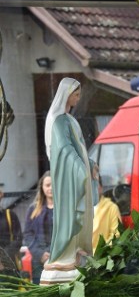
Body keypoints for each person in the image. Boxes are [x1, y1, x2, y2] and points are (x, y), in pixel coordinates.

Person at [42, 77, 98, 285]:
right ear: (67, 94)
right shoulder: (59, 120)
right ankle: (65, 255)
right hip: (68, 179)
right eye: (76, 94)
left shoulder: (70, 119)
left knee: (82, 219)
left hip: (77, 174)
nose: (78, 98)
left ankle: (77, 250)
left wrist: (89, 164)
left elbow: (79, 149)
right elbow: (63, 150)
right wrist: (79, 168)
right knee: (69, 216)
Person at [23, 172, 54, 284]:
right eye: (47, 185)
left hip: (59, 258)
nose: (50, 188)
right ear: (42, 187)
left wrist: (52, 253)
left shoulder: (64, 209)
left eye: (53, 184)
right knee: (40, 291)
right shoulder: (33, 209)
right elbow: (28, 234)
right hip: (38, 260)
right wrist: (40, 254)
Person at [92, 174, 122, 251]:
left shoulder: (111, 208)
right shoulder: (76, 209)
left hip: (101, 257)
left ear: (101, 188)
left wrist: (97, 252)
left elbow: (116, 236)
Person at [0, 183, 23, 275]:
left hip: (9, 267)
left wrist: (3, 260)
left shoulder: (10, 215)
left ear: (1, 195)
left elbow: (18, 240)